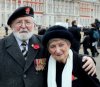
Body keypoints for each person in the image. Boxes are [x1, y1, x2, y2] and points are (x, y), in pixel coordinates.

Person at [0, 6, 97, 87]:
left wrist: (86, 58)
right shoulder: (1, 45)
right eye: (19, 22)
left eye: (28, 22)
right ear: (11, 26)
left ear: (33, 25)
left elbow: (62, 52)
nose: (24, 26)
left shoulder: (43, 42)